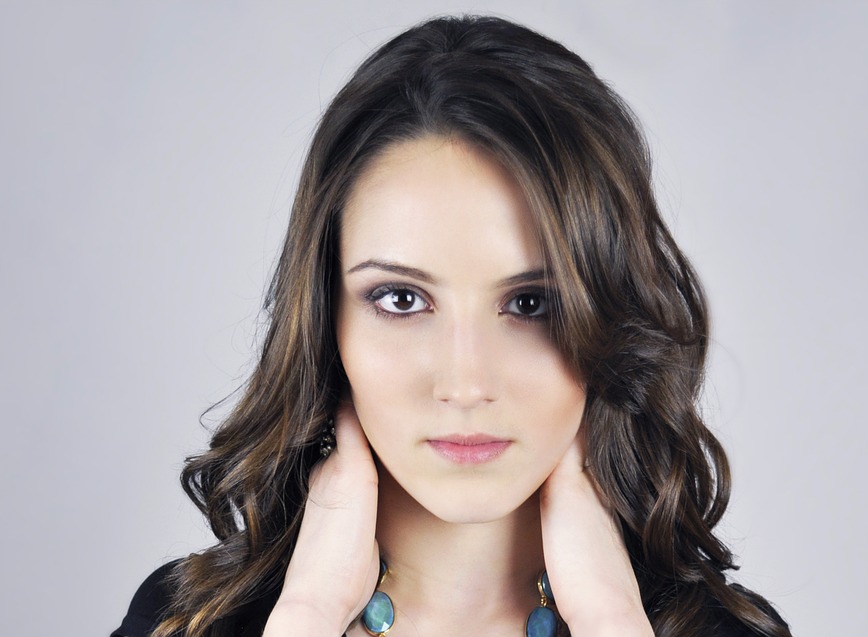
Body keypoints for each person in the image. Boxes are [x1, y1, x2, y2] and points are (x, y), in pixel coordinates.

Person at [113, 14, 790, 637]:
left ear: (610, 317)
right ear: (326, 322)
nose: (466, 383)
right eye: (402, 300)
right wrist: (309, 612)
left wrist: (613, 619)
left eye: (532, 304)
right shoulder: (186, 622)